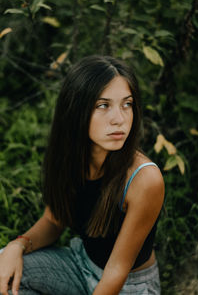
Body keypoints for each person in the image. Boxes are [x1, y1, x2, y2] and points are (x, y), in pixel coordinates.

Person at [0, 55, 164, 295]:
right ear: (76, 110)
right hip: (79, 265)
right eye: (103, 105)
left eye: (127, 104)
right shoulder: (70, 157)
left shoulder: (144, 179)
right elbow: (53, 221)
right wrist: (18, 244)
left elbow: (116, 270)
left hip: (128, 287)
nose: (119, 119)